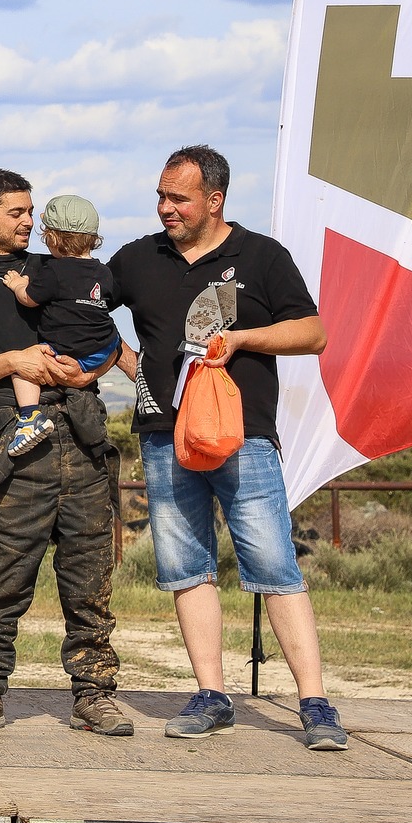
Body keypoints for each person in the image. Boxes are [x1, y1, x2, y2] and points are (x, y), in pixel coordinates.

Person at [109, 145, 347, 750]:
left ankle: (315, 703)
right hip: (164, 438)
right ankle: (211, 695)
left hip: (244, 438)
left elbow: (313, 333)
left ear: (215, 200)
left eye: (178, 199)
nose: (165, 208)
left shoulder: (262, 256)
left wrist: (243, 338)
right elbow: (83, 310)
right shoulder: (137, 259)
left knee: (273, 566)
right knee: (186, 566)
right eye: (160, 196)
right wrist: (127, 362)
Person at [0, 171, 131, 736]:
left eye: (30, 212)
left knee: (90, 572)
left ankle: (95, 694)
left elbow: (107, 338)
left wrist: (95, 368)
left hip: (84, 433)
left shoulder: (65, 272)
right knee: (4, 576)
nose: (26, 221)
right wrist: (16, 362)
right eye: (15, 212)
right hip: (18, 441)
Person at [0, 194, 139, 455]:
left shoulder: (54, 271)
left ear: (52, 238)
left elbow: (30, 299)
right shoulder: (104, 272)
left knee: (22, 368)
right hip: (101, 351)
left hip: (62, 351)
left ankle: (30, 418)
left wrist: (18, 284)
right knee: (112, 335)